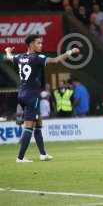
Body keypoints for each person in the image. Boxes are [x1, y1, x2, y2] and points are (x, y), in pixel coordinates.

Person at [4, 34, 79, 162]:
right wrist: (71, 51)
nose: (41, 45)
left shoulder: (20, 57)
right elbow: (55, 60)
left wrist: (7, 51)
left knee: (38, 124)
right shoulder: (37, 58)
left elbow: (9, 58)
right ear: (31, 45)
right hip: (32, 95)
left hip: (22, 94)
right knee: (29, 126)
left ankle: (43, 154)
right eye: (38, 43)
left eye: (41, 43)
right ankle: (20, 157)